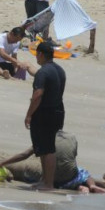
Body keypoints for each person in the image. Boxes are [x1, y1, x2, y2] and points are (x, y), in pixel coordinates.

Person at [25, 40, 67, 190]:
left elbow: (38, 95)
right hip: (58, 112)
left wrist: (29, 114)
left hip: (45, 113)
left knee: (47, 149)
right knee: (46, 147)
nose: (36, 58)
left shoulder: (43, 72)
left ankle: (48, 183)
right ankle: (45, 180)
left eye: (37, 54)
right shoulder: (60, 70)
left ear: (41, 54)